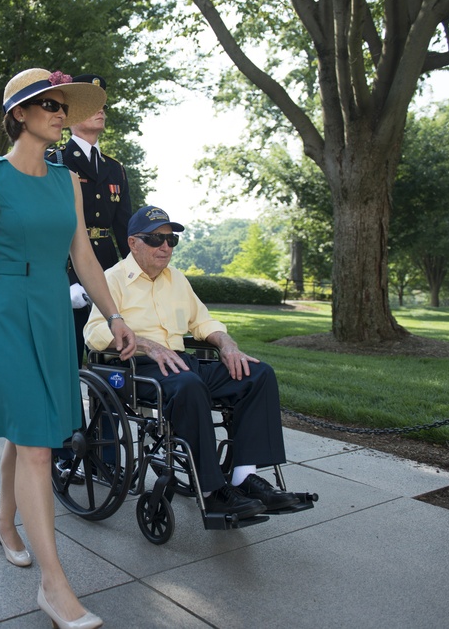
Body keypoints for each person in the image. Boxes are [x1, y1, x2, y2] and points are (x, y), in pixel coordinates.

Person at [0, 68, 135, 629]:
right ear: (18, 114)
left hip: (52, 310)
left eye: (62, 104)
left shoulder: (68, 180)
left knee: (33, 433)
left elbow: (85, 258)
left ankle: (4, 519)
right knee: (39, 445)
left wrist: (113, 313)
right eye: (46, 103)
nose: (58, 111)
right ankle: (54, 584)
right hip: (9, 314)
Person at [83, 205, 301, 520]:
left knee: (258, 374)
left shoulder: (177, 280)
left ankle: (244, 477)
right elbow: (92, 333)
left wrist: (227, 344)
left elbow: (203, 322)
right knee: (189, 385)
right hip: (137, 368)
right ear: (133, 243)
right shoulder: (113, 279)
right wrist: (144, 342)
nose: (165, 247)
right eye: (156, 239)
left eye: (172, 241)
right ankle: (212, 493)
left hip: (182, 363)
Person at [46, 74, 132, 366]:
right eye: (92, 105)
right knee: (68, 361)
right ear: (70, 117)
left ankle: (106, 414)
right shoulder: (55, 162)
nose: (101, 110)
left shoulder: (115, 169)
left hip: (108, 274)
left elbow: (125, 231)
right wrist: (69, 279)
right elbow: (50, 228)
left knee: (112, 364)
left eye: (103, 105)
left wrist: (133, 276)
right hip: (67, 276)